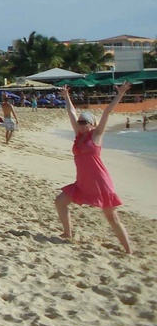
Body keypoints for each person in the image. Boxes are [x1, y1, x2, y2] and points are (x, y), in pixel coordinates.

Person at [54, 82, 133, 254]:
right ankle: (68, 233)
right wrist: (66, 97)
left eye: (84, 122)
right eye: (79, 122)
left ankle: (128, 250)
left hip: (100, 183)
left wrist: (120, 94)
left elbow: (107, 112)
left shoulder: (96, 135)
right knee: (60, 202)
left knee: (112, 218)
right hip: (82, 183)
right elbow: (71, 112)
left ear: (92, 125)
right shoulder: (78, 136)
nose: (80, 124)